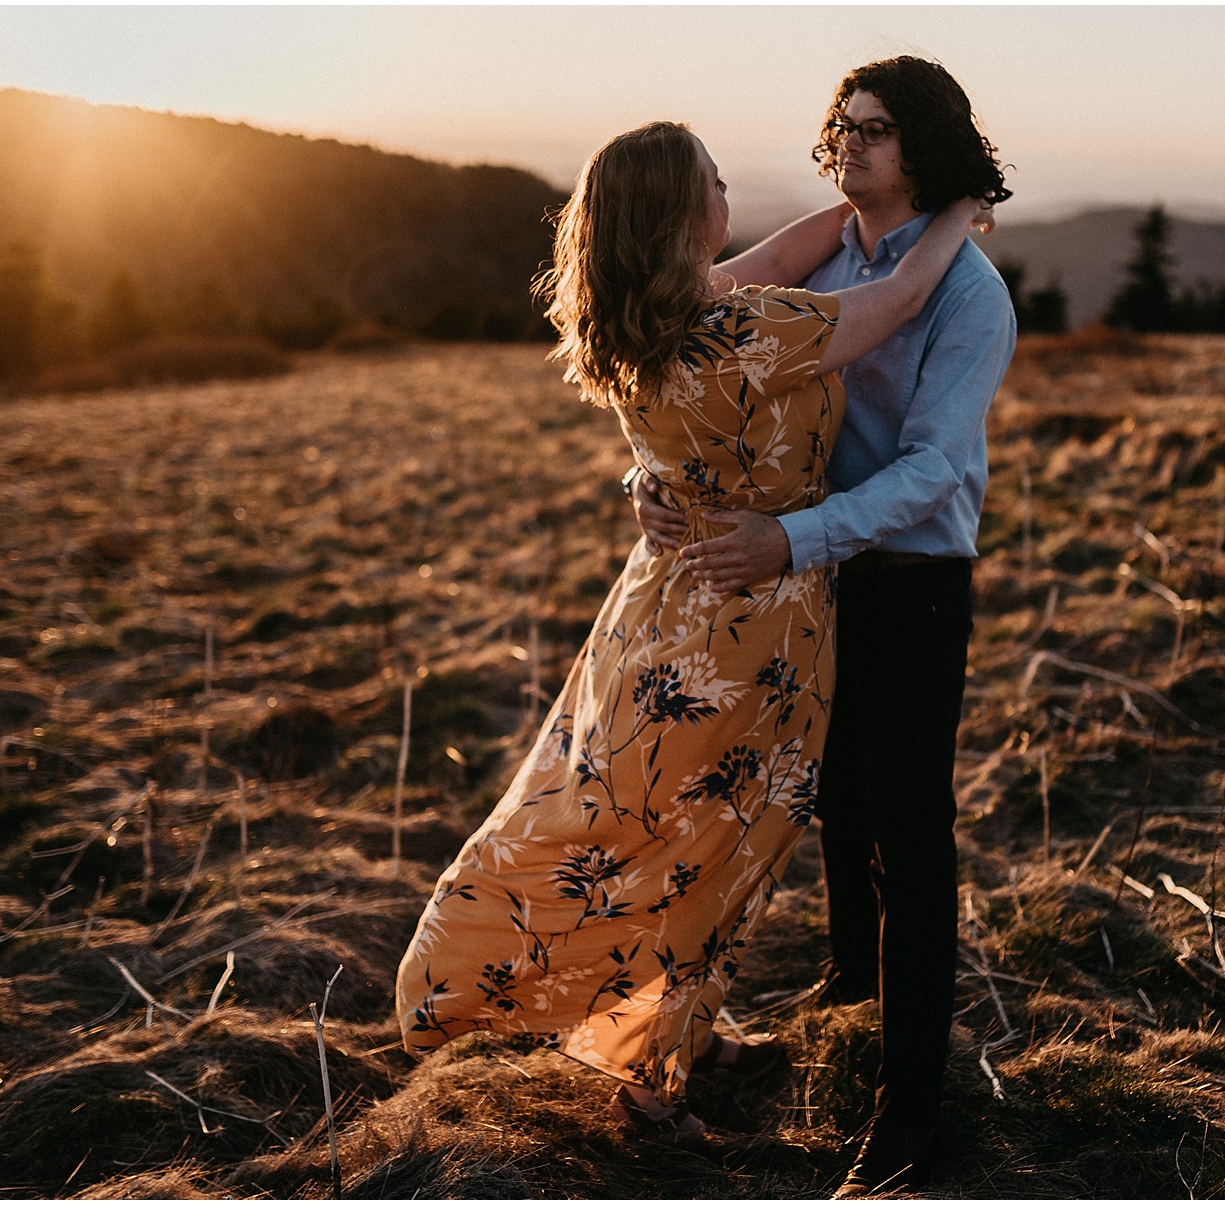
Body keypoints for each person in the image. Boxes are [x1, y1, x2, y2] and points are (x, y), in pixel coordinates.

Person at [393, 120, 991, 1141]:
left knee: (632, 815)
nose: (729, 189)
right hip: (749, 632)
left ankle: (662, 1026)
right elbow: (893, 303)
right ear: (683, 214)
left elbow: (790, 253)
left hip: (660, 610)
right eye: (714, 179)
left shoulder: (644, 324)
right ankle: (655, 1080)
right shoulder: (740, 329)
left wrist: (868, 213)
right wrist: (956, 216)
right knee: (710, 844)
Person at [633, 57, 1016, 1194]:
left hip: (908, 579)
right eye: (845, 126)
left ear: (927, 150)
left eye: (881, 132)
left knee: (910, 832)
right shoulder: (829, 256)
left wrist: (793, 539)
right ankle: (852, 992)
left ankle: (909, 1116)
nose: (853, 145)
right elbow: (693, 356)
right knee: (831, 798)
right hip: (810, 576)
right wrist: (644, 480)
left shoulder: (967, 292)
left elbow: (934, 470)